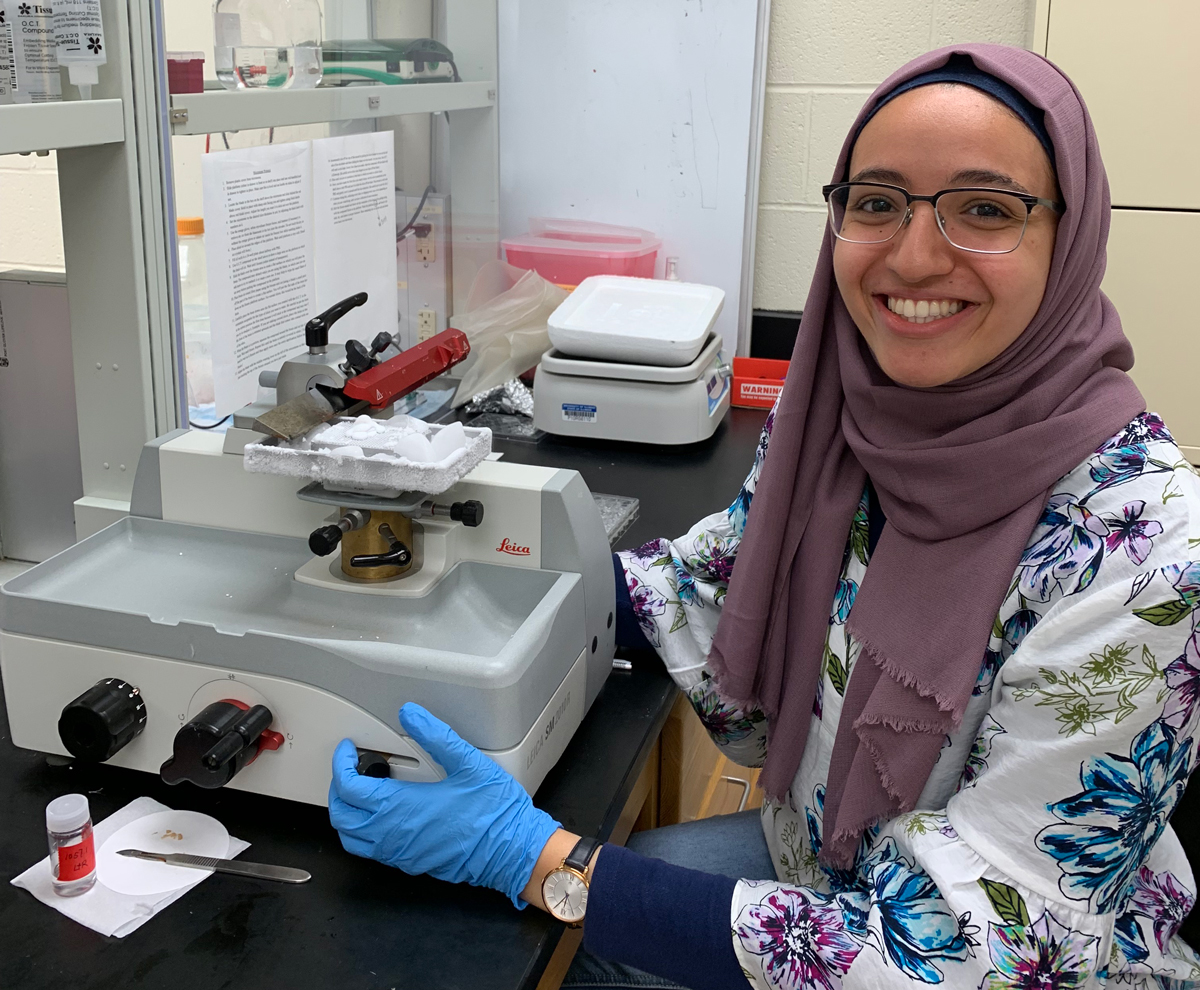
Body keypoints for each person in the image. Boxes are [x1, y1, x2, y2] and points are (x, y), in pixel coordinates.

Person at [327, 43, 1200, 990]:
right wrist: (468, 565)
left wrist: (533, 860)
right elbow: (718, 577)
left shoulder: (1145, 549)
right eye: (876, 202)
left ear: (1070, 239)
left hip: (998, 956)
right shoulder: (836, 412)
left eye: (985, 208)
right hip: (821, 857)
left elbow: (974, 954)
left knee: (557, 937)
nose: (913, 254)